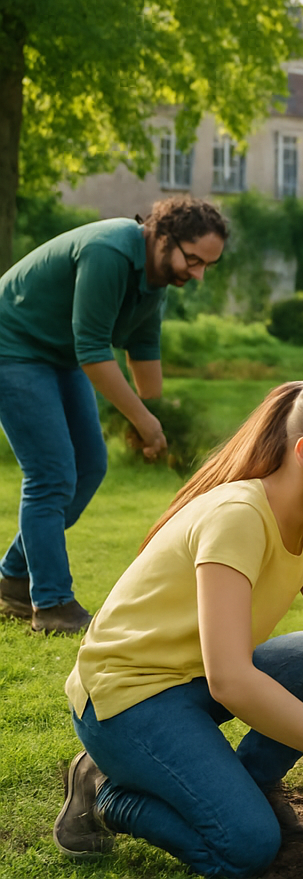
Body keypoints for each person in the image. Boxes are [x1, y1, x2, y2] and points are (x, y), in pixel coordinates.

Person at [53, 370, 303, 879]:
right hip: (125, 700)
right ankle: (107, 794)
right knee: (244, 847)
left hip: (190, 680)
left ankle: (250, 786)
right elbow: (231, 679)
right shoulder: (238, 516)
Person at [0, 196, 227, 634]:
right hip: (14, 348)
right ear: (163, 236)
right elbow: (92, 351)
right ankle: (52, 605)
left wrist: (159, 426)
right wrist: (142, 421)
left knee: (89, 467)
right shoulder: (110, 251)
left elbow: (143, 351)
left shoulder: (155, 281)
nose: (196, 275)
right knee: (51, 476)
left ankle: (11, 579)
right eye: (193, 260)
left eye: (206, 267)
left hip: (57, 355)